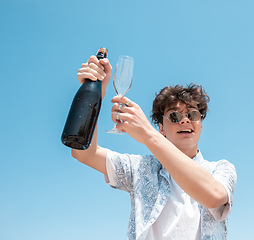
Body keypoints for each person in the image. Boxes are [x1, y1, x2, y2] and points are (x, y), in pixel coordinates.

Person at [72, 54, 237, 240]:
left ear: (201, 125)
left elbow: (214, 197)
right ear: (161, 128)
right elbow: (83, 153)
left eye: (192, 114)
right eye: (174, 116)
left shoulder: (221, 169)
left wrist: (147, 135)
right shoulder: (140, 168)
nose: (185, 120)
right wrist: (96, 91)